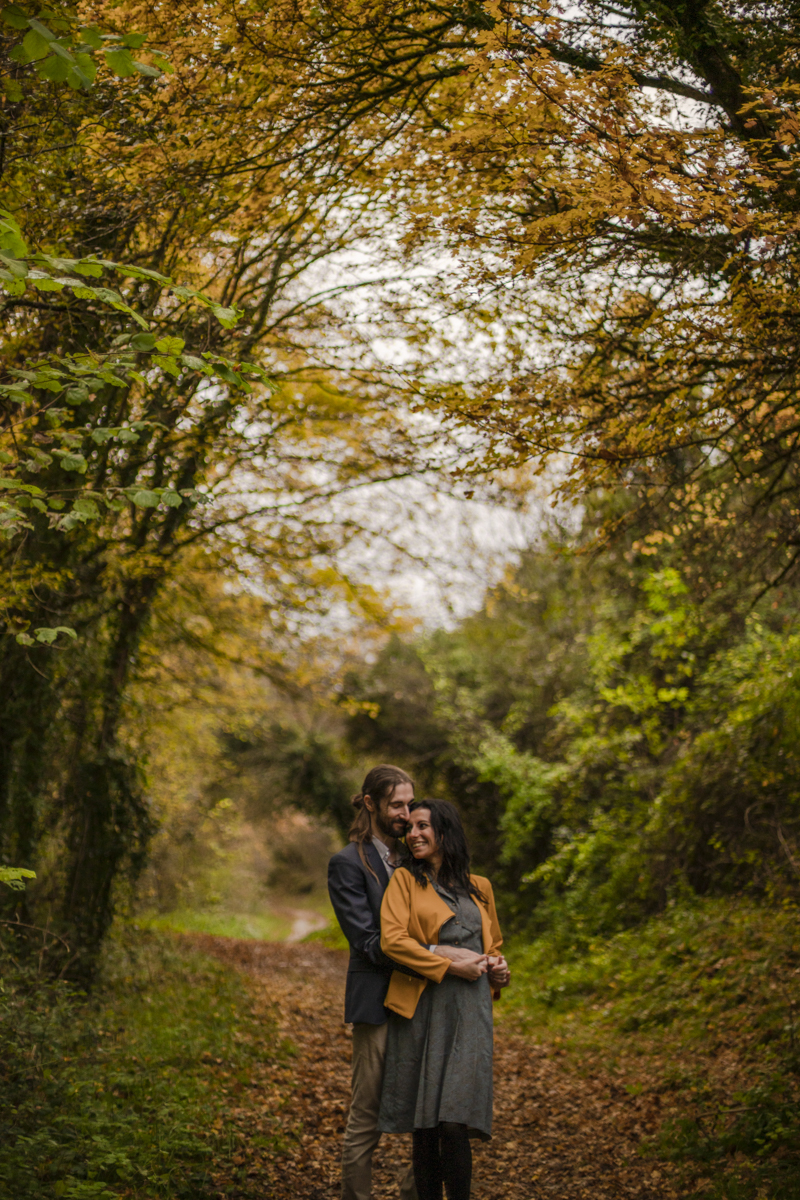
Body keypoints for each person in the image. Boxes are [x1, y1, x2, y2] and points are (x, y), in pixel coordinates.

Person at [328, 767, 481, 1200]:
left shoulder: (414, 857)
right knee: (367, 1115)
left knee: (428, 1109)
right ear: (371, 803)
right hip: (377, 1003)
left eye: (410, 804)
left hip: (424, 1001)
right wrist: (436, 955)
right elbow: (367, 942)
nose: (405, 813)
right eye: (397, 804)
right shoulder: (347, 863)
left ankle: (415, 1193)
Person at [376, 799, 511, 1200]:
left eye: (423, 826)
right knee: (427, 1124)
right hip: (421, 1007)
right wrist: (447, 962)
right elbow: (393, 941)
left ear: (445, 832)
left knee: (454, 1121)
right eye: (410, 827)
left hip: (470, 1011)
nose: (413, 834)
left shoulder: (480, 887)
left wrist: (500, 969)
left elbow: (495, 946)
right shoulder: (404, 880)